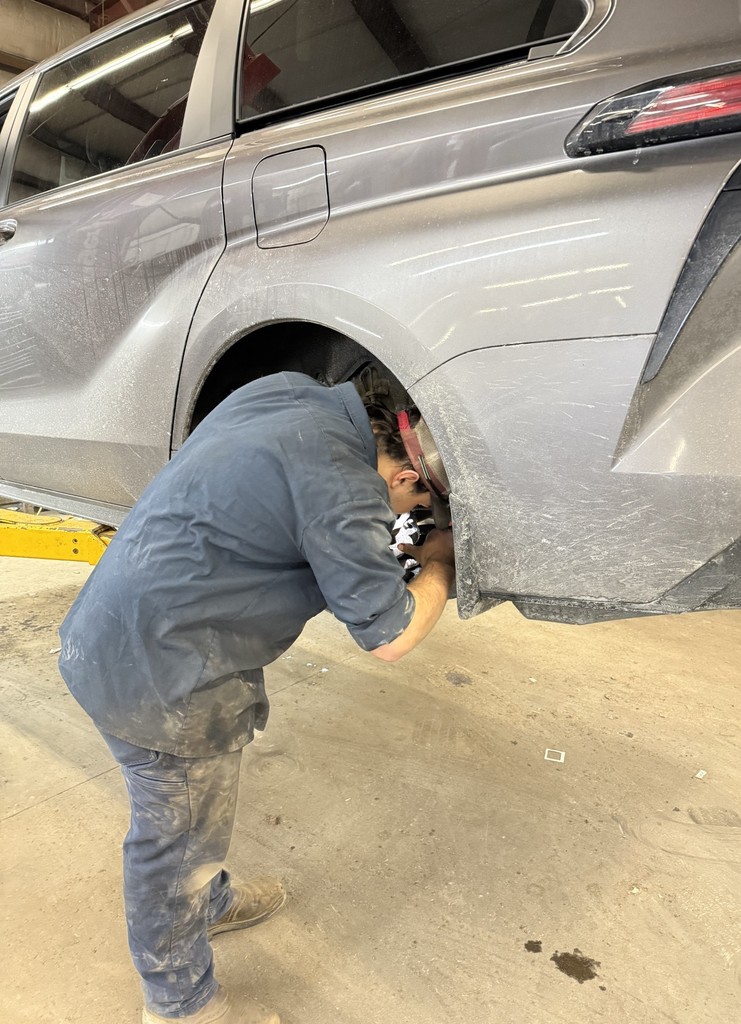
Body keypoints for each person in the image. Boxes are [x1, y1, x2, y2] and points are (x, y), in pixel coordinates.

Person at [58, 371, 455, 1024]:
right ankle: (181, 1006)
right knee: (175, 849)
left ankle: (209, 904)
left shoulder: (293, 393)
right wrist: (436, 557)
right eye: (408, 510)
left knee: (190, 823)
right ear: (411, 478)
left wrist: (392, 542)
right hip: (162, 683)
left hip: (110, 636)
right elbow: (390, 634)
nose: (398, 522)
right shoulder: (345, 489)